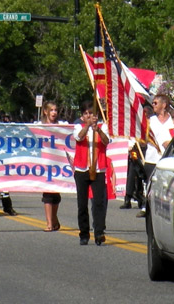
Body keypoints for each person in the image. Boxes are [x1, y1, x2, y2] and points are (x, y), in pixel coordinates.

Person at [73, 101, 110, 246]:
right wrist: (88, 126)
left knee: (99, 202)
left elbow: (106, 141)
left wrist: (98, 130)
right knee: (82, 203)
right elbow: (79, 137)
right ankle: (84, 233)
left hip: (98, 168)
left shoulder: (103, 127)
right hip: (82, 169)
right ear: (82, 116)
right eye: (86, 114)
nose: (89, 116)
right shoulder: (78, 126)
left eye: (91, 113)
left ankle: (99, 232)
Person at [138, 94, 174, 217]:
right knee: (150, 184)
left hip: (168, 159)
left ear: (164, 105)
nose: (153, 105)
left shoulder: (172, 121)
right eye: (153, 103)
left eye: (155, 103)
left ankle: (164, 208)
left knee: (167, 185)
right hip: (152, 158)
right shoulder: (150, 121)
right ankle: (146, 207)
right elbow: (143, 139)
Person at [40, 102, 65, 231]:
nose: (54, 112)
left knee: (56, 194)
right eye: (51, 110)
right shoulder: (39, 126)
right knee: (47, 193)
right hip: (44, 164)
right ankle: (49, 223)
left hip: (58, 164)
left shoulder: (62, 127)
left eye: (55, 110)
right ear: (45, 111)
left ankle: (54, 218)